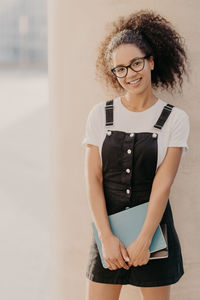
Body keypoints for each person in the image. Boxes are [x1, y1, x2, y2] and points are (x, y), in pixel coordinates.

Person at [82, 9, 190, 300]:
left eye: (136, 63)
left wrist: (144, 240)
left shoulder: (175, 119)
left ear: (151, 61)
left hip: (153, 235)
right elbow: (93, 180)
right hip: (108, 234)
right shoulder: (100, 115)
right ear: (113, 72)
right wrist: (106, 238)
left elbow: (163, 185)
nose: (130, 74)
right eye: (120, 68)